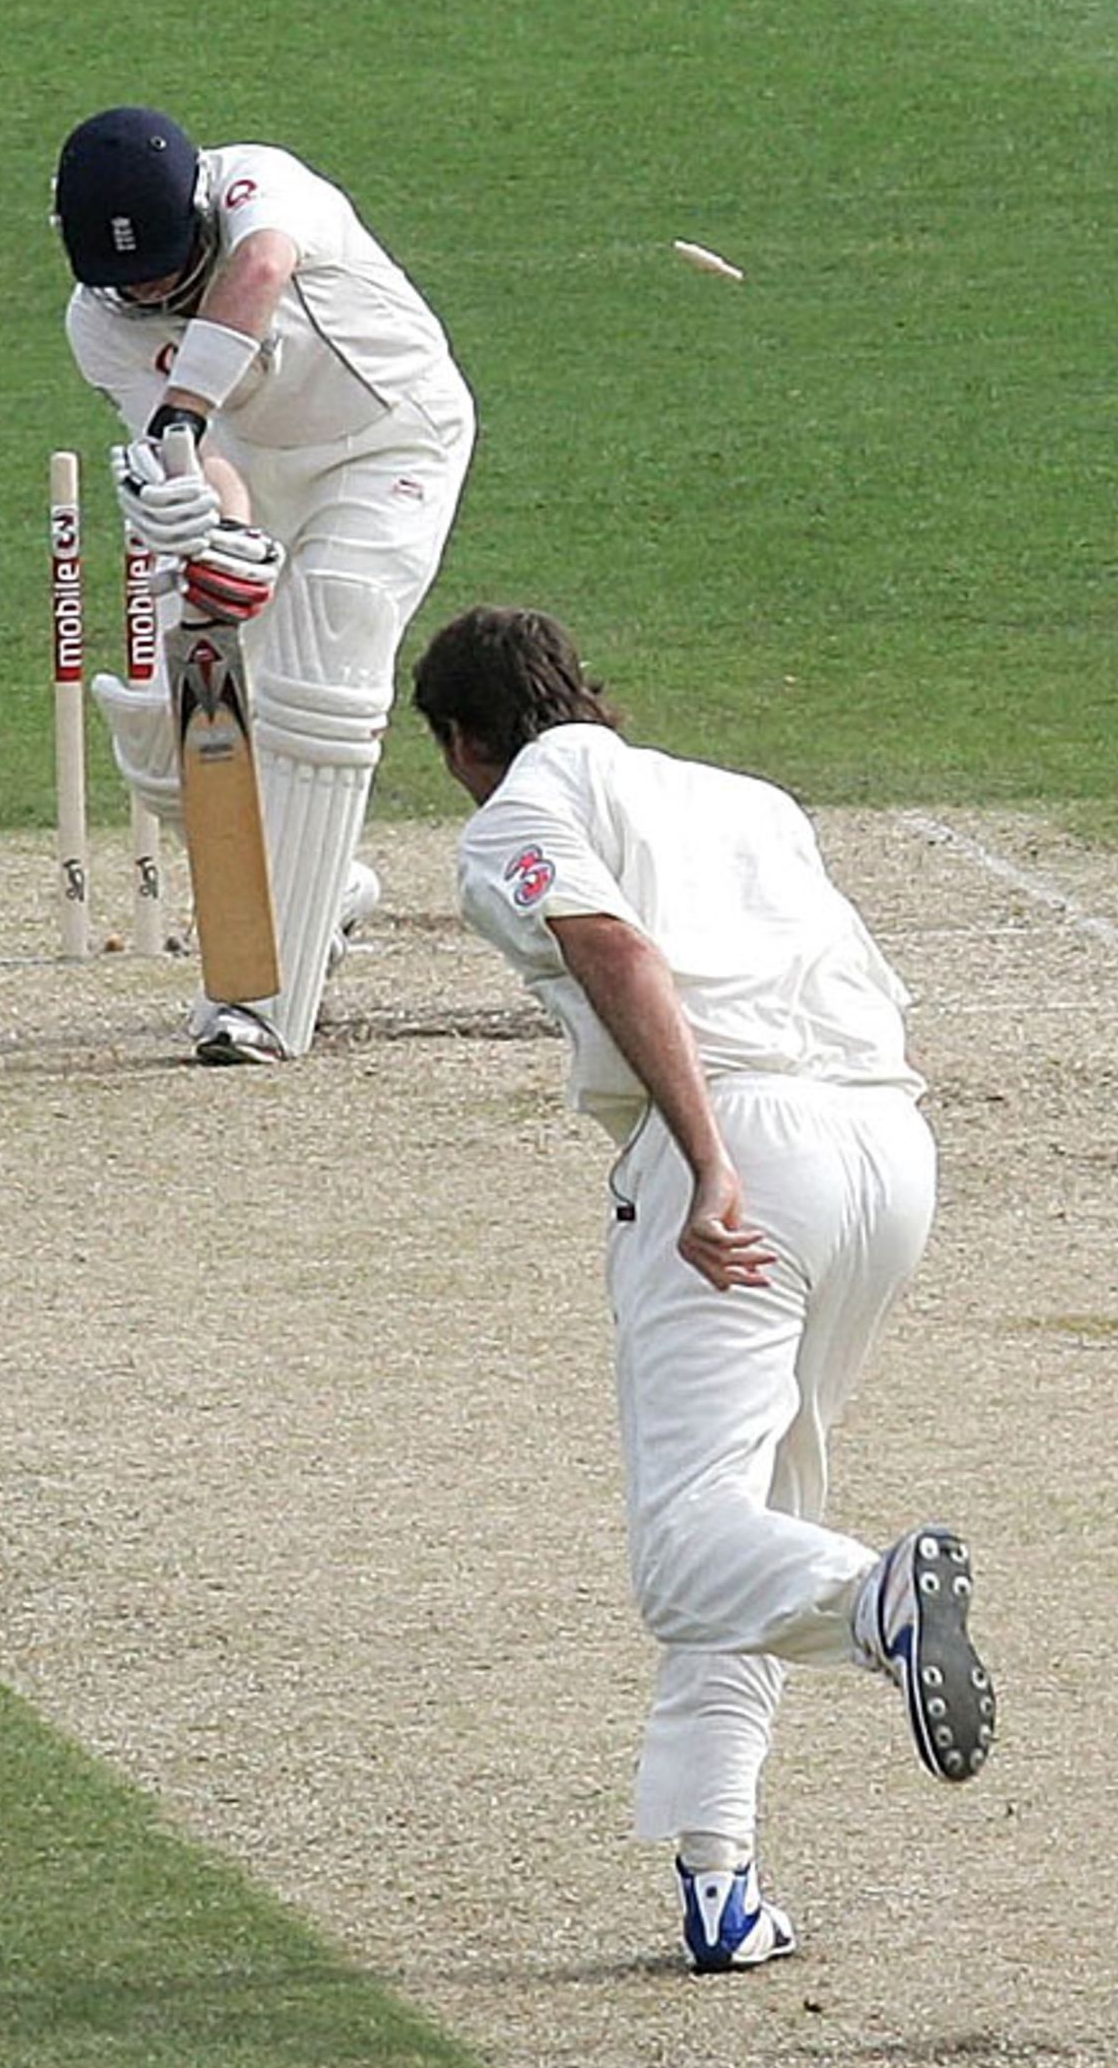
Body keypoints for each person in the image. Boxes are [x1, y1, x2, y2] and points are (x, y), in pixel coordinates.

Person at [411, 604, 997, 1975]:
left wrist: (709, 1159)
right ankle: (718, 1882)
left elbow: (615, 948)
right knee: (753, 1526)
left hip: (743, 1153)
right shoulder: (745, 798)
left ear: (462, 742)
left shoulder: (517, 812)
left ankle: (880, 1601)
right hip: (885, 1150)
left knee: (687, 1555)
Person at [51, 105, 476, 1063]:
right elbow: (198, 457)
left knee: (328, 655)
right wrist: (211, 526)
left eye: (164, 266)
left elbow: (261, 270)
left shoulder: (259, 186)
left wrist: (181, 413)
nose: (149, 289)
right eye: (127, 279)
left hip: (389, 441)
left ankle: (265, 1003)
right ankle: (325, 886)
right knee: (171, 742)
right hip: (255, 468)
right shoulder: (97, 325)